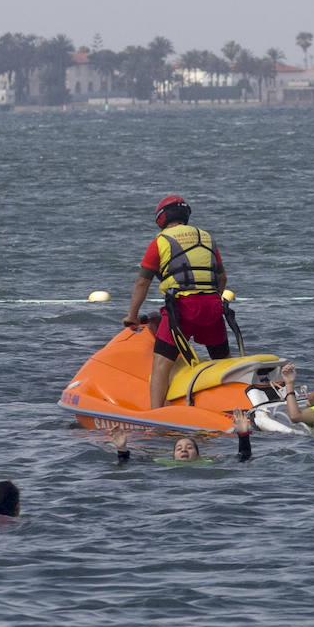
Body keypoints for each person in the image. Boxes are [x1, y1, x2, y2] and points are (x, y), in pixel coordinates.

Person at [123, 195, 230, 409]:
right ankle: (229, 405)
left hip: (181, 311)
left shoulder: (160, 241)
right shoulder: (207, 237)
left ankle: (156, 414)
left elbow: (142, 282)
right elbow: (222, 278)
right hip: (214, 307)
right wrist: (211, 299)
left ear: (161, 218)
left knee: (161, 364)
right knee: (223, 361)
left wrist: (132, 315)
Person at [110, 424, 252, 463]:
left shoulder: (208, 462)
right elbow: (128, 462)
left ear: (198, 455)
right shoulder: (162, 462)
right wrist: (122, 449)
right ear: (173, 456)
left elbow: (243, 457)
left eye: (189, 447)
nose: (184, 450)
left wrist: (243, 435)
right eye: (179, 448)